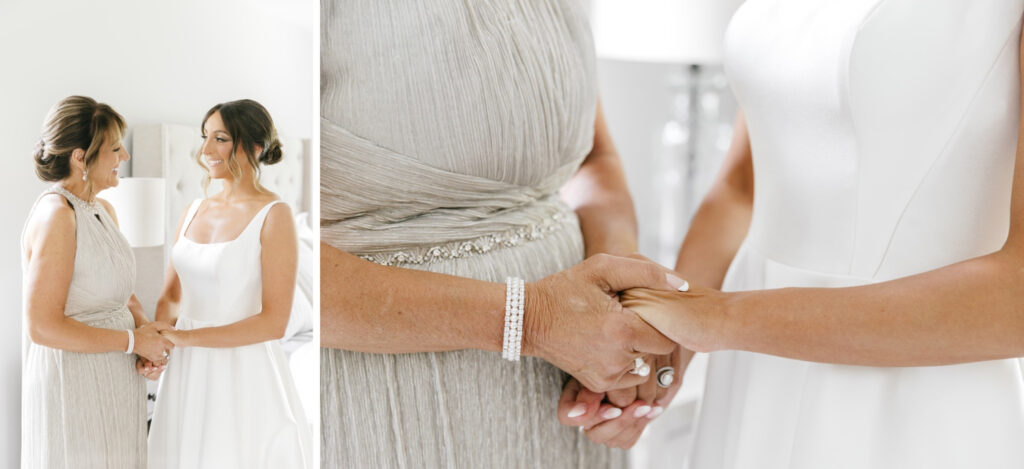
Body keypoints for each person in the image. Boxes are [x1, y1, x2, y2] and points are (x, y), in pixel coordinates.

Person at [618, 2, 1024, 467]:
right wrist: (660, 350)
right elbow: (746, 187)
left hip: (915, 389)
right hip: (755, 373)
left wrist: (719, 319)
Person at [319, 1, 685, 467]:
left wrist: (621, 304)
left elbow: (593, 161)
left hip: (572, 389)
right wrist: (531, 321)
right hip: (393, 395)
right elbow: (286, 272)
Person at [147, 99, 312, 468]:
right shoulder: (192, 210)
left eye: (220, 139)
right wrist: (157, 347)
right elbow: (171, 297)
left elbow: (274, 322)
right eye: (205, 137)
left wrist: (186, 339)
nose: (205, 150)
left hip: (243, 370)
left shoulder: (275, 215)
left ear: (254, 146)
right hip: (185, 371)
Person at [21, 95, 174, 468]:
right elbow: (41, 326)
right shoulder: (58, 215)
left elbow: (122, 292)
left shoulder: (103, 210)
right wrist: (133, 341)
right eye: (116, 148)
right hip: (75, 382)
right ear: (80, 157)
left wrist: (145, 337)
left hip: (116, 377)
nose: (125, 157)